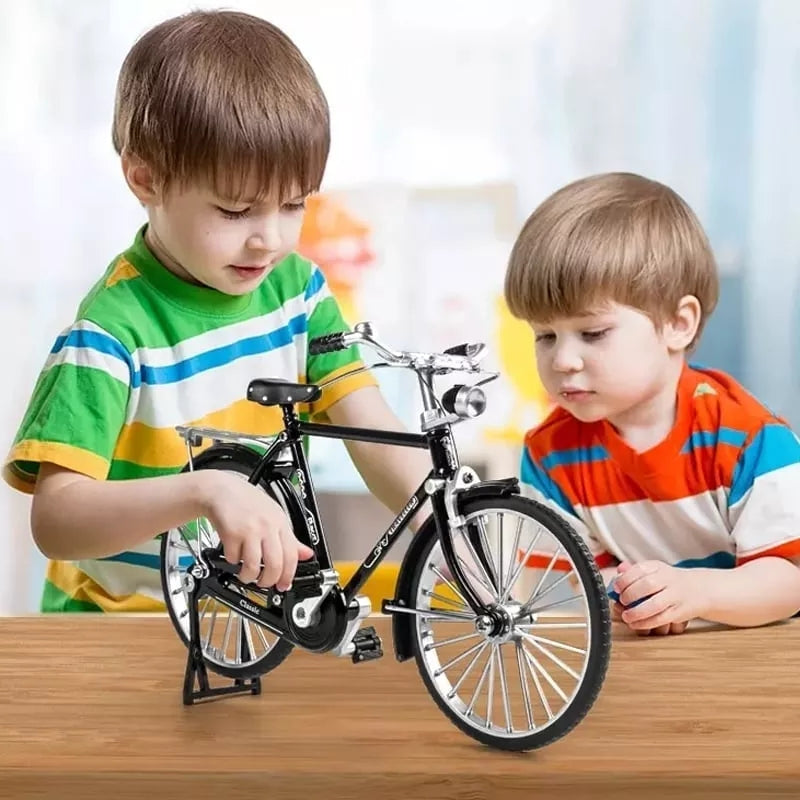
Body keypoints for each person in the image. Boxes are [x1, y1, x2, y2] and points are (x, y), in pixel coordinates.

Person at [3, 10, 429, 613]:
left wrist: (440, 518)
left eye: (293, 204)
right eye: (235, 211)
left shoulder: (299, 293)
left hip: (246, 625)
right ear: (146, 179)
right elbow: (57, 521)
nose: (269, 239)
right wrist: (204, 491)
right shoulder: (109, 334)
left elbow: (372, 428)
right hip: (118, 629)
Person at [504, 171, 800, 635]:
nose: (562, 360)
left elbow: (790, 580)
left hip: (759, 660)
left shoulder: (748, 439)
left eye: (592, 333)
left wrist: (697, 593)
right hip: (655, 667)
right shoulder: (550, 455)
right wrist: (630, 600)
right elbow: (577, 583)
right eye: (545, 335)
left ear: (678, 324)